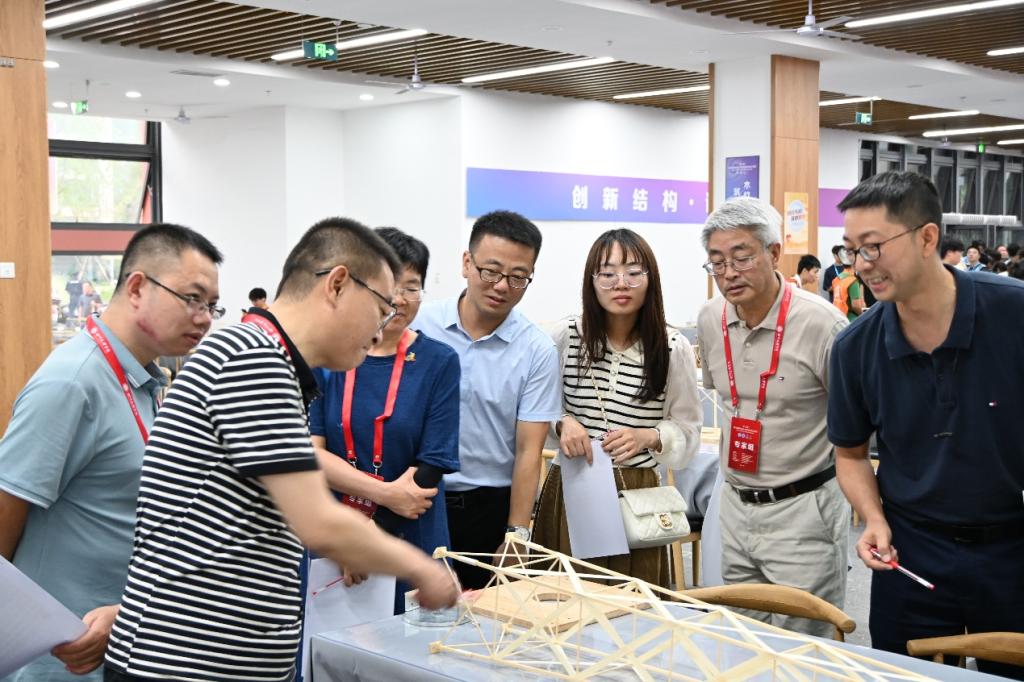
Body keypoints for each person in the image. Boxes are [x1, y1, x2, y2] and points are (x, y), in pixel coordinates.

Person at [104, 218, 459, 682]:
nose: (380, 330)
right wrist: (425, 571)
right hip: (184, 665)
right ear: (337, 284)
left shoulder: (272, 362)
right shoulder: (253, 358)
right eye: (379, 308)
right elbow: (318, 522)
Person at [0, 224, 224, 681]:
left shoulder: (145, 380)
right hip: (58, 657)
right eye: (193, 299)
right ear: (137, 287)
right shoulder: (73, 382)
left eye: (211, 306)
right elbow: (4, 514)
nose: (204, 319)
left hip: (118, 643)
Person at [829, 171, 1024, 680]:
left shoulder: (1013, 312)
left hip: (1013, 545)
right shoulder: (855, 346)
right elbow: (850, 454)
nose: (861, 264)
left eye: (873, 246)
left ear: (927, 237)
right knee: (906, 673)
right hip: (910, 551)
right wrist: (872, 518)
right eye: (852, 249)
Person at [696, 197, 850, 638]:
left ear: (774, 253)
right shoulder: (710, 318)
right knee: (745, 639)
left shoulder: (823, 325)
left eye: (741, 257)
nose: (729, 273)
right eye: (717, 262)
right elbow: (727, 396)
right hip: (736, 504)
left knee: (804, 644)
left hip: (803, 509)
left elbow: (857, 423)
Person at [534, 229, 701, 587]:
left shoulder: (672, 347)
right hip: (573, 486)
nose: (620, 283)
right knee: (565, 597)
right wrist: (563, 423)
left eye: (633, 272)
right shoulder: (566, 336)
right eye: (608, 273)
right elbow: (536, 409)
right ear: (591, 281)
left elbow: (688, 429)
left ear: (650, 279)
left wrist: (650, 436)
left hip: (637, 496)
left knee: (634, 603)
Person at [308, 227, 461, 613]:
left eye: (412, 286)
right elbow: (312, 455)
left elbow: (433, 461)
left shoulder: (439, 361)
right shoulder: (328, 358)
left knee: (413, 646)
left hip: (410, 530)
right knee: (332, 643)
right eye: (391, 285)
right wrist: (356, 532)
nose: (400, 299)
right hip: (335, 532)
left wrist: (370, 538)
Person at [415, 210, 561, 590]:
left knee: (482, 616)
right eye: (491, 271)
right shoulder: (420, 326)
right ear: (467, 263)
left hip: (488, 508)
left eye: (518, 277)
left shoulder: (536, 349)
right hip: (414, 495)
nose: (501, 286)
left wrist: (517, 534)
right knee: (405, 611)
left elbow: (529, 451)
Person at [831, 257, 867, 322]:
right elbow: (856, 306)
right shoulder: (852, 281)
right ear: (854, 264)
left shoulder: (836, 279)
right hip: (850, 318)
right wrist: (863, 315)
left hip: (837, 316)